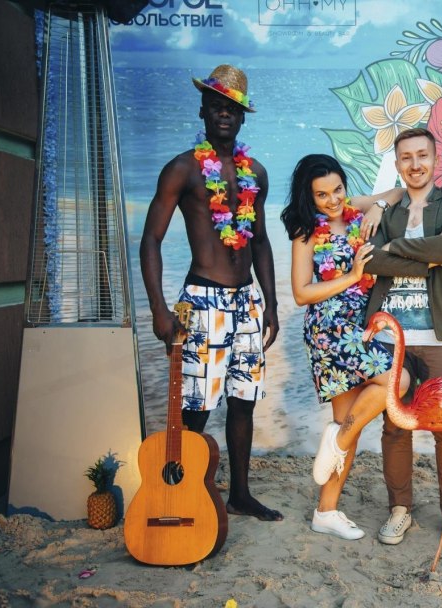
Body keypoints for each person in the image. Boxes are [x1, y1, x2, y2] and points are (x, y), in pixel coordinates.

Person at [139, 64, 282, 522]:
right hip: (203, 301)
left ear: (242, 118)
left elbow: (261, 241)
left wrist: (271, 305)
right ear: (202, 111)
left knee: (243, 400)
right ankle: (180, 496)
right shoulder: (182, 169)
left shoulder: (255, 173)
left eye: (232, 109)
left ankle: (239, 494)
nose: (224, 114)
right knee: (195, 405)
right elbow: (151, 241)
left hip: (247, 302)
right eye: (217, 106)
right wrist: (159, 309)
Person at [280, 154, 411, 540]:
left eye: (337, 189)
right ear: (309, 196)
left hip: (359, 324)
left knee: (345, 425)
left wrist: (379, 206)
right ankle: (336, 443)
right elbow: (302, 293)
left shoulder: (354, 208)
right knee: (399, 380)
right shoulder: (305, 231)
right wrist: (354, 275)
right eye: (322, 195)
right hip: (329, 329)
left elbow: (399, 192)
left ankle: (326, 511)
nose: (333, 200)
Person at [362, 127, 442, 547]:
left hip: (440, 336)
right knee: (395, 426)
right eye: (406, 157)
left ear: (435, 159)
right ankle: (400, 509)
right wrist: (425, 254)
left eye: (422, 155)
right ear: (397, 164)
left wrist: (397, 247)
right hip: (391, 338)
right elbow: (371, 261)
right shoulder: (387, 211)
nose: (415, 164)